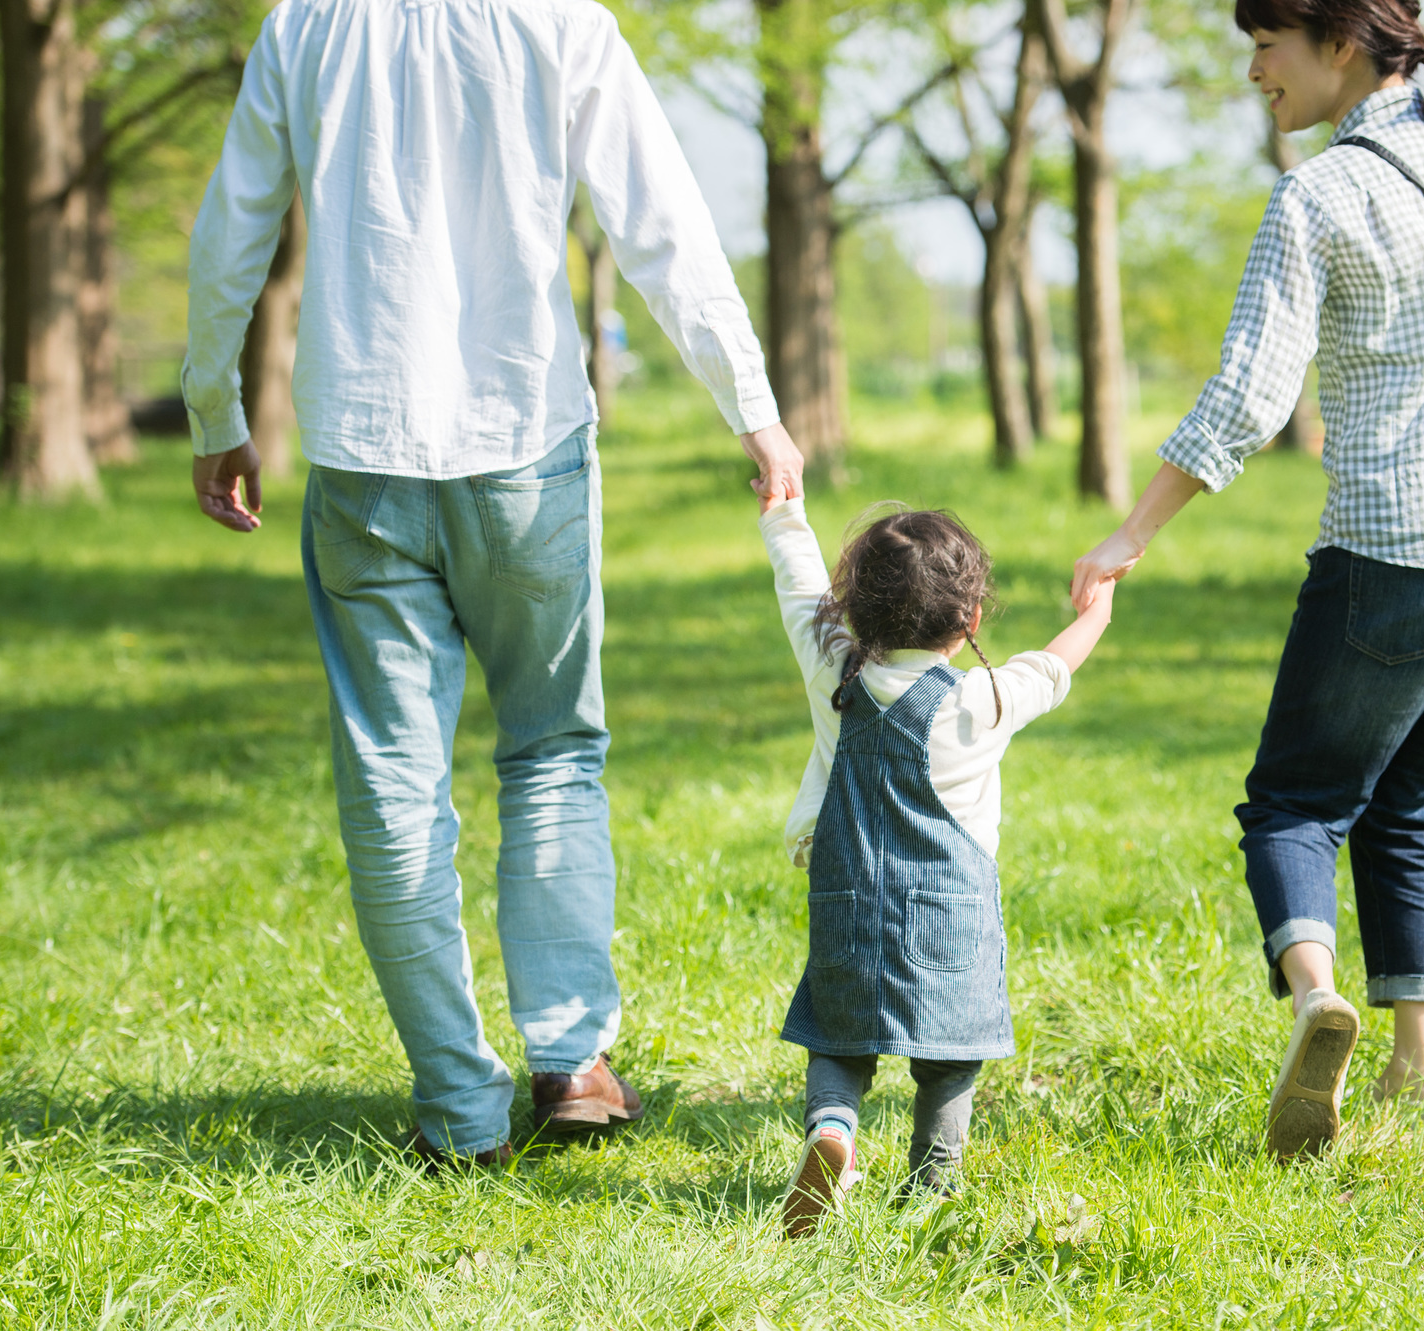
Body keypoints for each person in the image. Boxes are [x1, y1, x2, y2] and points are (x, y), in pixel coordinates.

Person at [181, 0, 803, 1166]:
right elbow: (661, 218)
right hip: (526, 441)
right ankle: (570, 1059)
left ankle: (458, 1103)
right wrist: (753, 409)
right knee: (552, 749)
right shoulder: (560, 20)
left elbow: (231, 227)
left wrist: (215, 408)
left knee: (389, 774)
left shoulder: (303, 26)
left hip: (360, 451)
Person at [1070, 0, 1424, 1161]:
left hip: (1401, 557)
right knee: (1411, 804)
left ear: (1339, 44)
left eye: (1266, 44)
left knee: (1295, 803)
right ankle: (1413, 1067)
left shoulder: (1315, 198)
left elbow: (1246, 398)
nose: (1254, 72)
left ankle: (1317, 994)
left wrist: (1128, 536)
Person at [753, 486, 1116, 1236]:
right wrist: (1097, 613)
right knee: (951, 1057)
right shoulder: (980, 700)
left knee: (837, 1035)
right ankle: (933, 1178)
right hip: (951, 923)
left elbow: (796, 589)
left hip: (848, 909)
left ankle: (833, 1131)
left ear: (851, 608)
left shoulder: (836, 673)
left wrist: (783, 513)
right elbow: (1050, 667)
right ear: (972, 619)